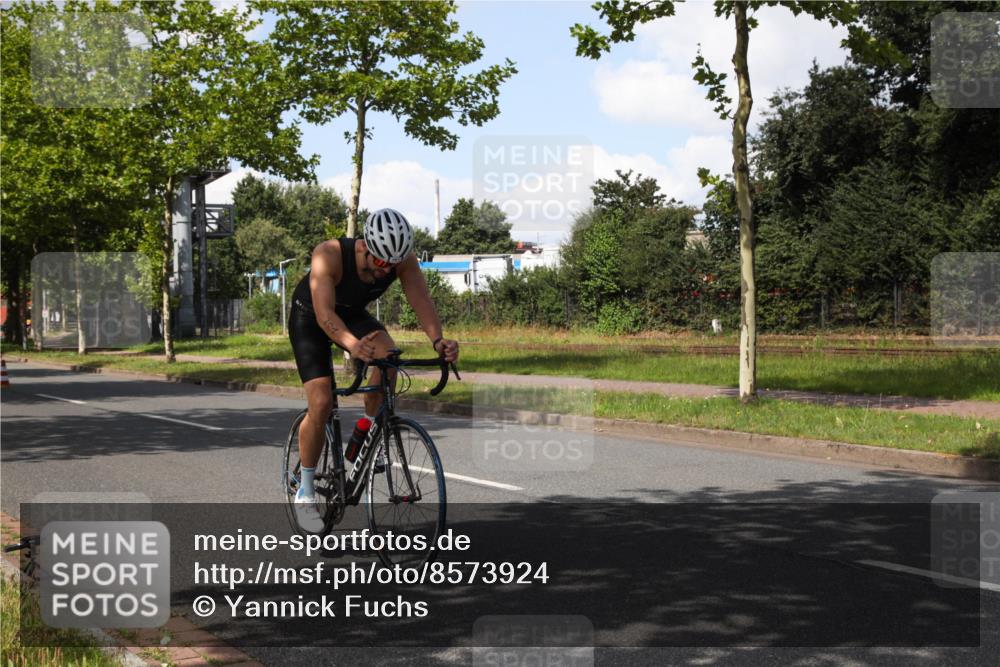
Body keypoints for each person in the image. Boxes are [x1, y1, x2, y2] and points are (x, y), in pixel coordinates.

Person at [288, 208, 459, 531]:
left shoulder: (400, 261)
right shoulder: (329, 255)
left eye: (392, 266)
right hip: (311, 318)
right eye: (381, 263)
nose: (386, 271)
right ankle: (306, 491)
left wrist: (438, 341)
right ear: (365, 247)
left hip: (351, 314)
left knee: (389, 356)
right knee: (322, 402)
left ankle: (368, 430)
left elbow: (419, 298)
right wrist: (351, 344)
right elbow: (325, 313)